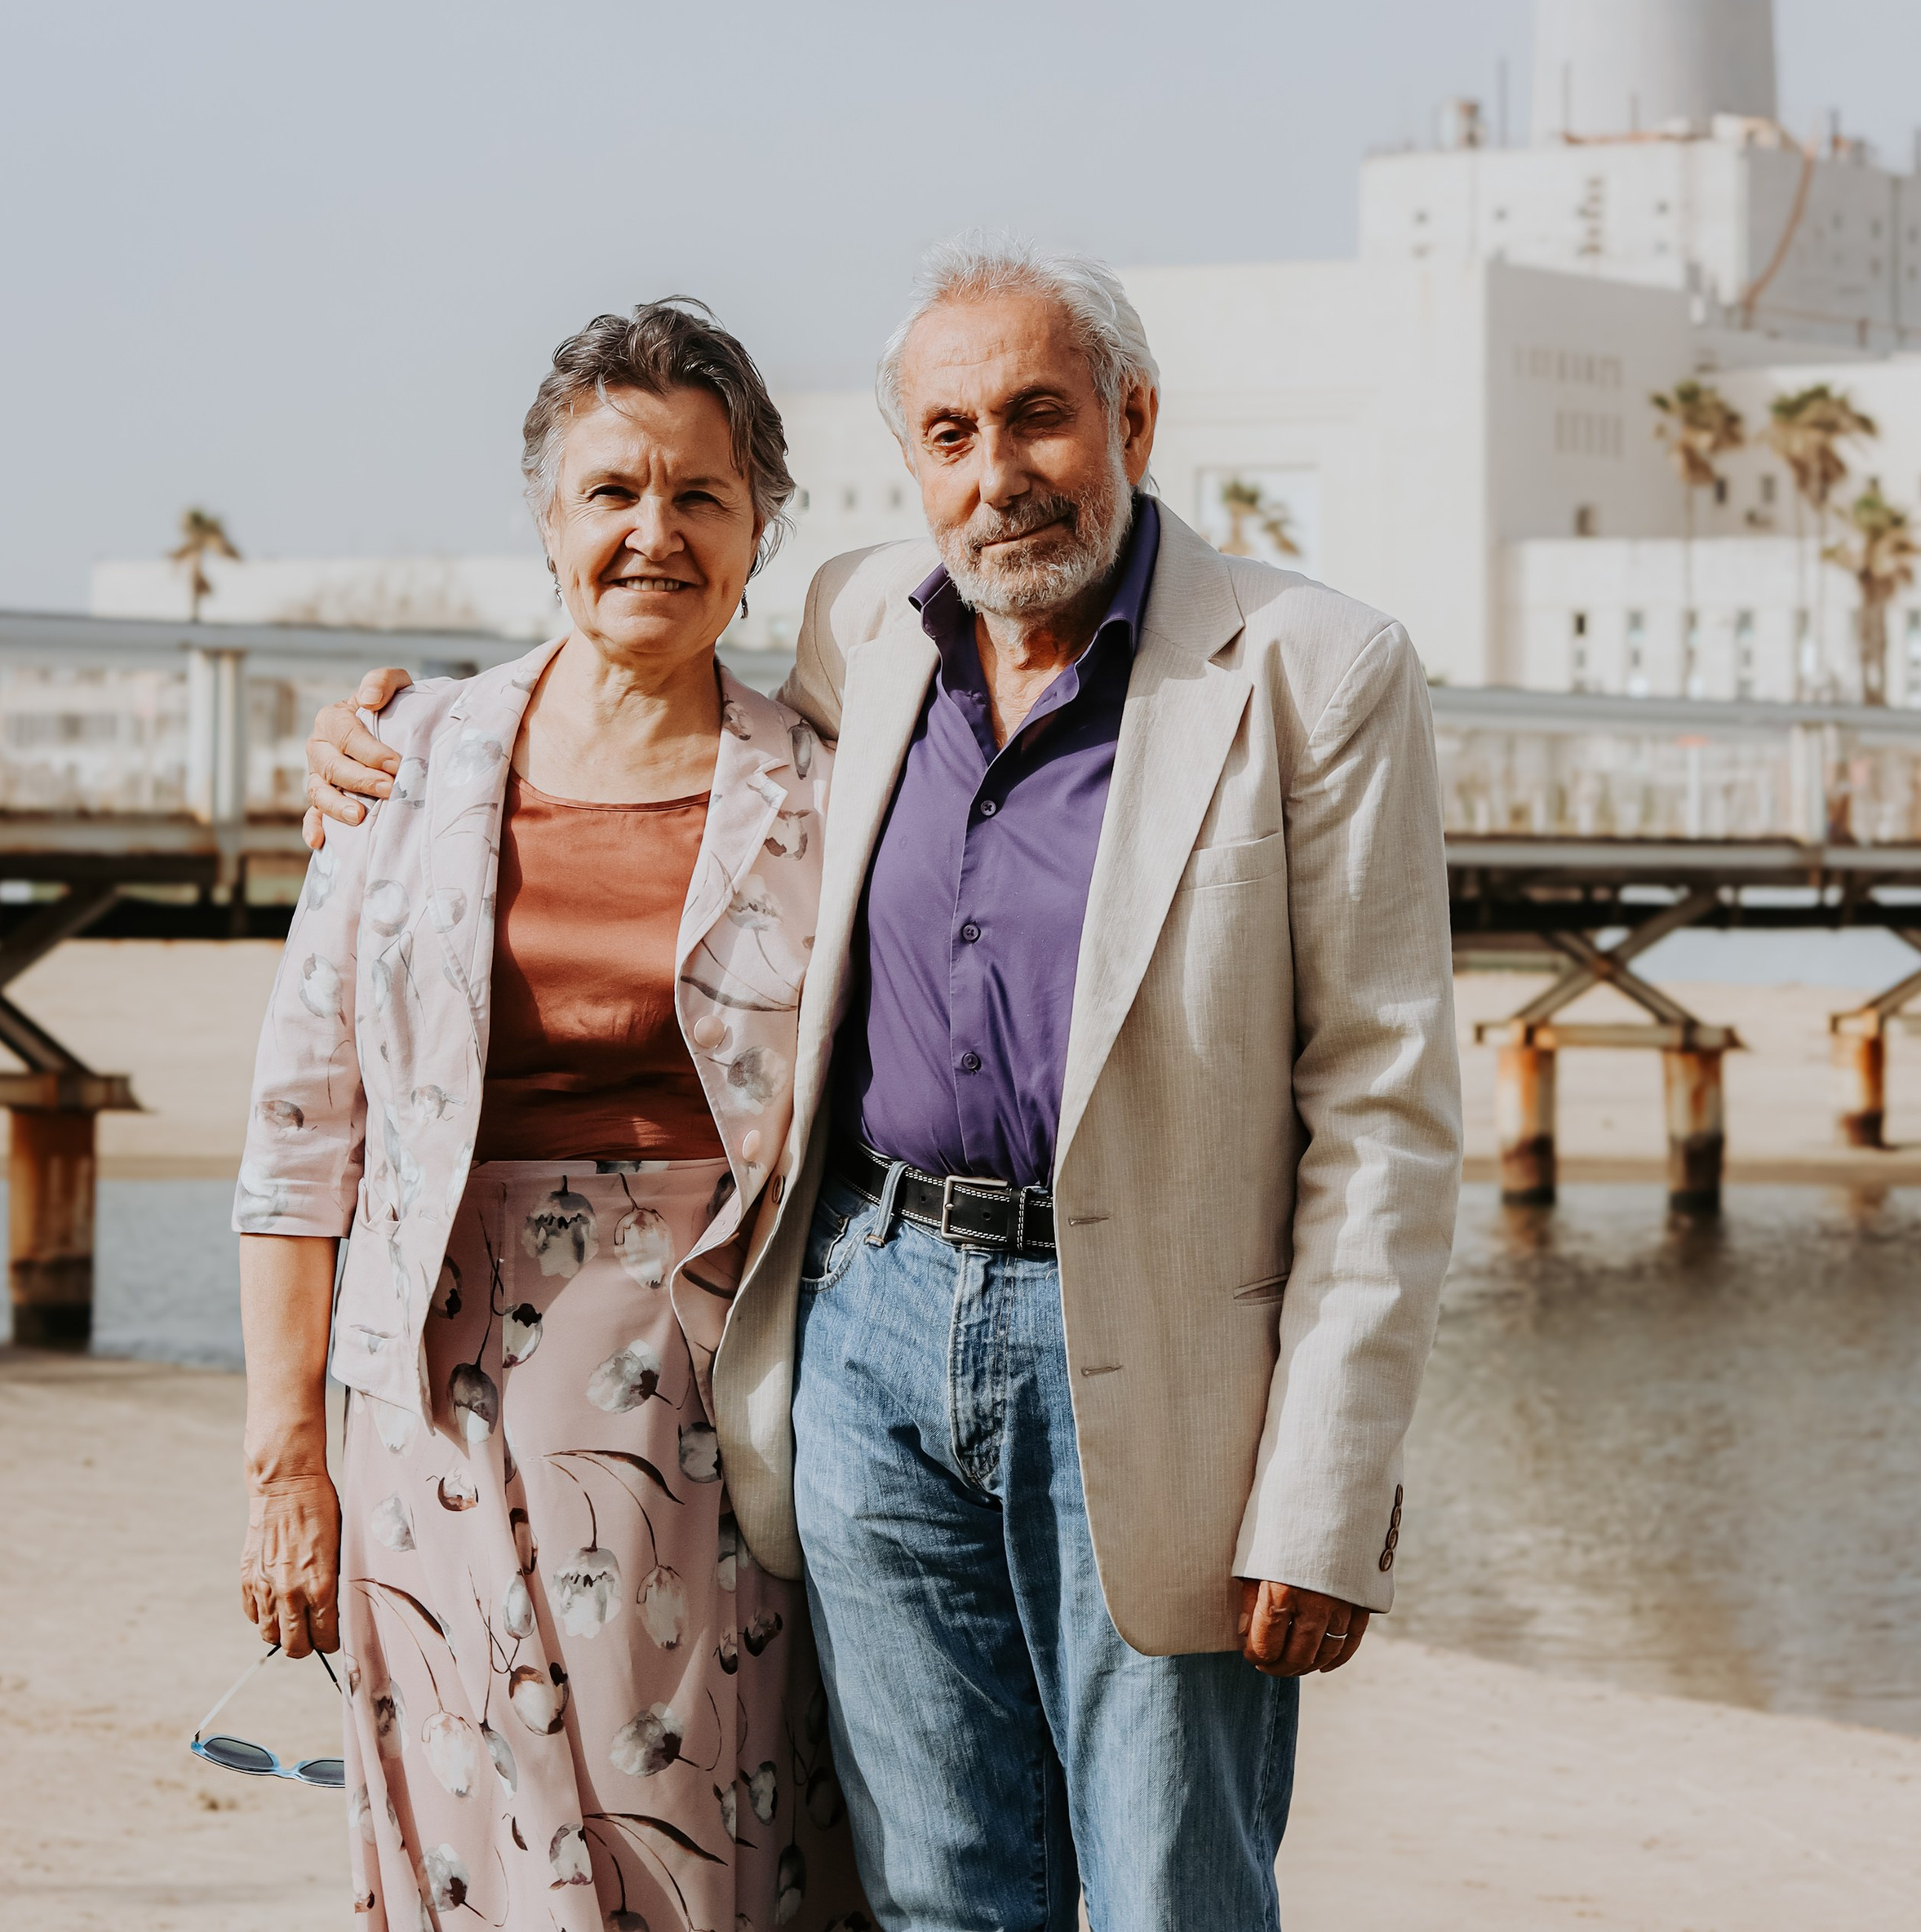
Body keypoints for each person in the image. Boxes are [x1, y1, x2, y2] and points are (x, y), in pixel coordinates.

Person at [306, 239, 1463, 1932]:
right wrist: (380, 740)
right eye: (947, 433)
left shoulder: (1312, 668)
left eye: (1037, 418)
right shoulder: (871, 627)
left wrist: (1325, 1487)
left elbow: (1383, 1108)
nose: (995, 476)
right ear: (906, 461)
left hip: (1145, 1351)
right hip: (869, 1335)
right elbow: (628, 671)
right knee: (933, 1889)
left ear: (1134, 418)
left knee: (1167, 1883)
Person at [241, 299, 867, 1931]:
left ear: (757, 529)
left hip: (711, 1418)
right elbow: (302, 1128)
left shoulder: (826, 788)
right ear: (546, 519)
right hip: (427, 1406)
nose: (652, 533)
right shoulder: (407, 763)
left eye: (701, 496)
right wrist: (283, 1460)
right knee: (468, 1828)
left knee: (692, 1830)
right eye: (612, 492)